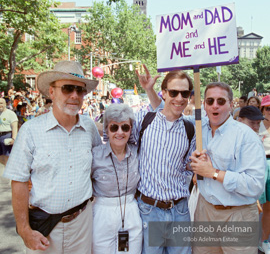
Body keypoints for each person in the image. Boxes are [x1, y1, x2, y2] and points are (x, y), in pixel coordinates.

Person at [3, 60, 101, 253]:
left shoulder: (89, 127)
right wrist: (24, 230)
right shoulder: (31, 130)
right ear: (52, 92)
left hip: (83, 223)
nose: (74, 95)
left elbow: (99, 166)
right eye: (67, 88)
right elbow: (19, 181)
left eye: (80, 90)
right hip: (45, 228)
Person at [188, 82, 265, 254]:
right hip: (205, 210)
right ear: (205, 105)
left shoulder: (246, 137)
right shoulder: (200, 130)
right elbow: (170, 113)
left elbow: (255, 185)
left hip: (238, 215)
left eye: (221, 101)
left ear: (231, 105)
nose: (215, 105)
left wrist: (213, 173)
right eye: (210, 101)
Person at [134, 65, 196, 254]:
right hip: (150, 211)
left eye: (184, 93)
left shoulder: (190, 128)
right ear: (164, 93)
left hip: (180, 211)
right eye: (174, 92)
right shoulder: (144, 120)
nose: (179, 98)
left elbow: (187, 165)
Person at [91, 103, 142, 254]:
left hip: (131, 212)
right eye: (114, 127)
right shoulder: (95, 155)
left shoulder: (137, 153)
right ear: (106, 129)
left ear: (131, 129)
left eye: (125, 127)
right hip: (102, 214)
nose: (120, 132)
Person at [258, 95, 270, 254]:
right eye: (268, 108)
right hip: (260, 166)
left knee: (268, 208)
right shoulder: (256, 125)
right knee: (258, 207)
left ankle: (264, 240)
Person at [0, 98, 18, 165]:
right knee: (1, 155)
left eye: (1, 103)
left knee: (7, 155)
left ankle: (8, 171)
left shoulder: (10, 114)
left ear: (5, 104)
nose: (0, 105)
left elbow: (14, 127)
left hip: (7, 136)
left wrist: (14, 138)